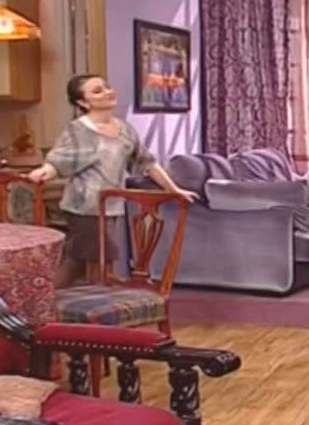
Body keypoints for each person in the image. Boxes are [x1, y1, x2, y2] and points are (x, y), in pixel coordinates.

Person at [28, 74, 198, 288]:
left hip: (112, 207)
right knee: (84, 261)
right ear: (83, 102)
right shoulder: (78, 130)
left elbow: (147, 163)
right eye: (97, 91)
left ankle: (61, 299)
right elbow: (61, 159)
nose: (107, 92)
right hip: (85, 208)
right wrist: (44, 171)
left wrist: (174, 190)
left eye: (107, 87)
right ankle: (49, 300)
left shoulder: (124, 130)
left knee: (93, 261)